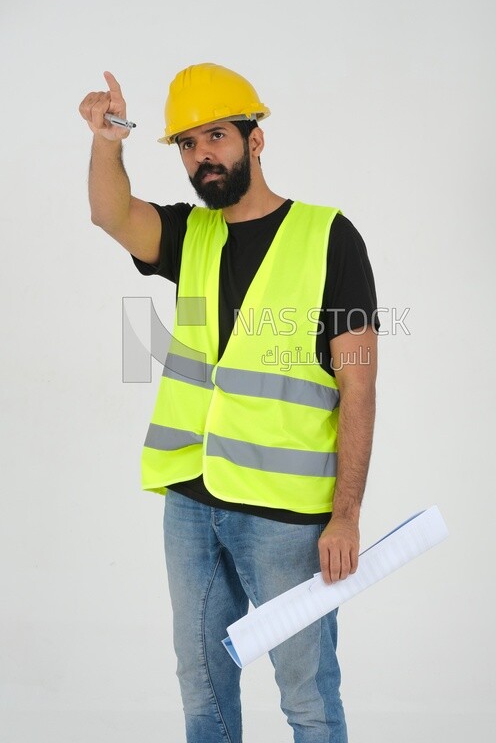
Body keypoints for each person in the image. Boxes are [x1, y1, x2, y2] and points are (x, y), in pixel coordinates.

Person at [79, 63, 379, 743]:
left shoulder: (329, 237)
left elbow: (358, 386)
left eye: (215, 135)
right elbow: (110, 214)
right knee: (202, 690)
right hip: (191, 501)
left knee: (306, 697)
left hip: (286, 519)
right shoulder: (191, 234)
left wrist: (346, 516)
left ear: (255, 138)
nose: (201, 155)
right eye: (187, 144)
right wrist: (107, 141)